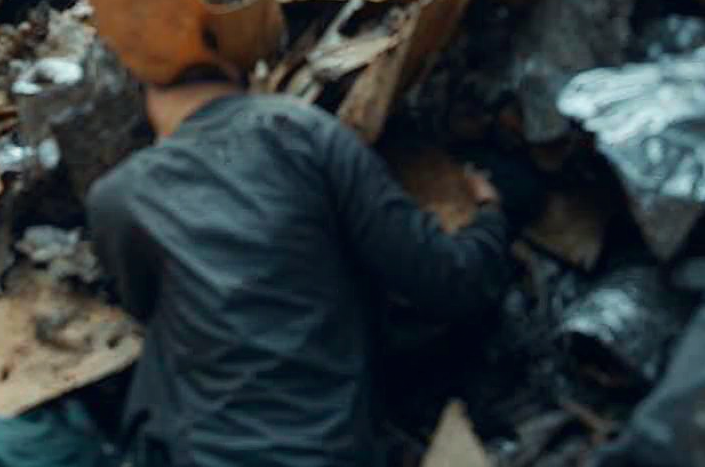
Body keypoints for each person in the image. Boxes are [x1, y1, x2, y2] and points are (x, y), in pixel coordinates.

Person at [78, 67, 513, 467]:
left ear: (148, 95)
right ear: (242, 70)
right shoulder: (307, 133)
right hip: (328, 451)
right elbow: (453, 280)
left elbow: (140, 305)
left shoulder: (120, 196)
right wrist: (489, 214)